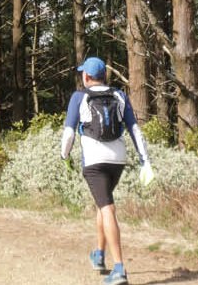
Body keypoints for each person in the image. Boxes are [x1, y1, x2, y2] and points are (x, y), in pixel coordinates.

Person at [60, 56, 153, 285]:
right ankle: (99, 255)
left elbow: (69, 133)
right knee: (102, 204)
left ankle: (119, 268)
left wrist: (64, 155)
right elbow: (134, 129)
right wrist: (145, 161)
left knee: (107, 208)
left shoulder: (79, 97)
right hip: (118, 161)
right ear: (104, 76)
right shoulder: (119, 95)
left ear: (86, 76)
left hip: (94, 162)